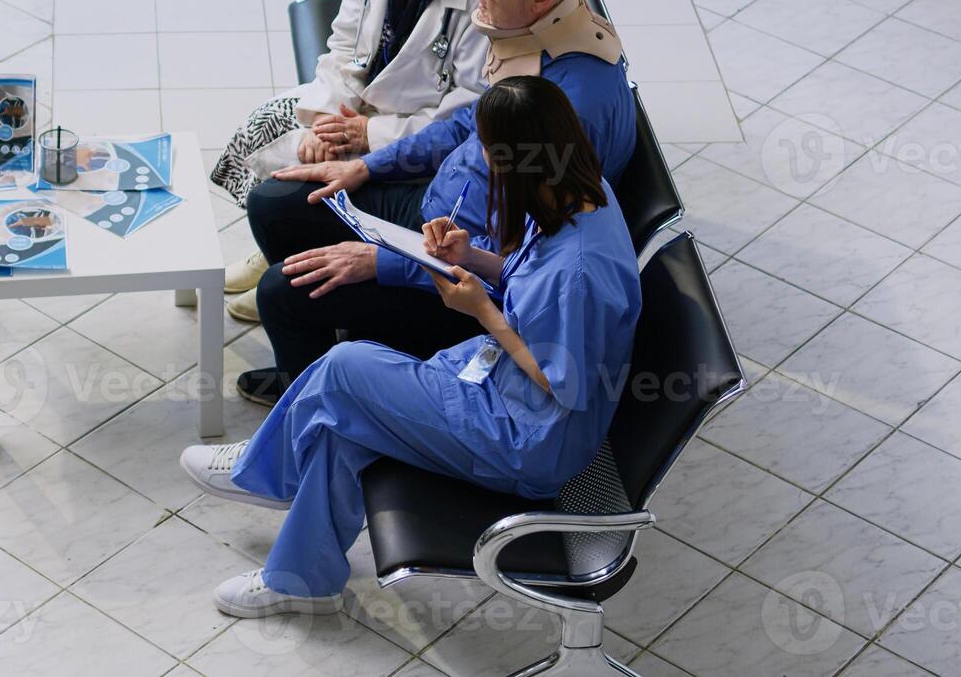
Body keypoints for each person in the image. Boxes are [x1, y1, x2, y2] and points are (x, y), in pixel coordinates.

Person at [179, 75, 642, 617]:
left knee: (348, 368)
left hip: (529, 441)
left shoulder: (580, 272)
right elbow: (528, 277)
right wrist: (474, 258)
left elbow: (562, 382)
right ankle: (303, 577)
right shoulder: (576, 192)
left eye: (490, 154)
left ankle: (270, 471)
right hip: (498, 389)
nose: (484, 165)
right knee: (343, 419)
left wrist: (483, 312)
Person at [233, 0, 635, 405]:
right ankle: (313, 357)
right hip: (444, 213)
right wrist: (366, 166)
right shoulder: (540, 39)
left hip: (461, 287)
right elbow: (467, 125)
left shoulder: (570, 115)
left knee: (285, 292)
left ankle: (317, 405)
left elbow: (516, 267)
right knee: (277, 203)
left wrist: (387, 263)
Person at [216, 0, 488, 322]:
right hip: (356, 106)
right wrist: (327, 115)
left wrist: (369, 135)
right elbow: (344, 43)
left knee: (299, 179)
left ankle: (288, 264)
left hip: (412, 140)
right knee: (270, 127)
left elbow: (464, 113)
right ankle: (278, 248)